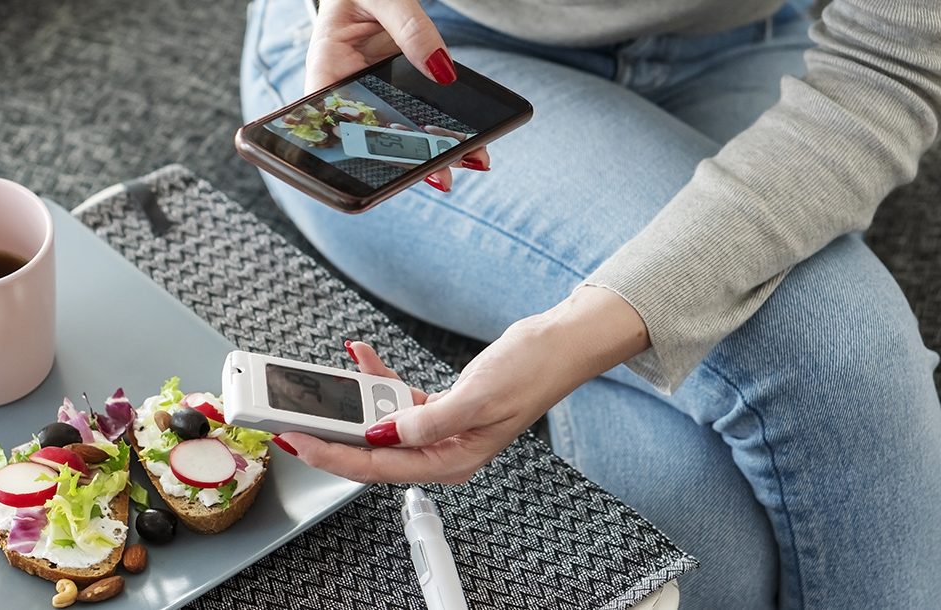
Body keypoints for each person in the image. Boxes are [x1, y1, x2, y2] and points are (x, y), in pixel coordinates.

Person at [239, 0, 941, 608]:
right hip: (419, 48)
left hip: (740, 42)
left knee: (693, 498)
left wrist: (576, 339)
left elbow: (888, 68)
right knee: (843, 350)